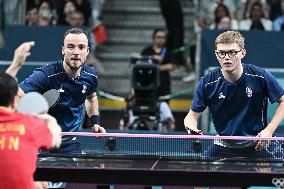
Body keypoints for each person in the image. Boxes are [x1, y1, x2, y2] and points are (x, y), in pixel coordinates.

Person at [184, 31, 284, 159]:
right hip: (223, 144)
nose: (226, 57)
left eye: (232, 52)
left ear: (243, 53)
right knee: (201, 175)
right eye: (222, 53)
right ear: (216, 54)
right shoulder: (207, 83)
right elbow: (191, 116)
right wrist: (191, 127)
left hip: (259, 142)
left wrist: (269, 130)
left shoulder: (260, 76)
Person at [18, 27, 105, 151]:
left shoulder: (91, 76)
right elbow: (16, 95)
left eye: (81, 47)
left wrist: (95, 122)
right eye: (71, 46)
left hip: (70, 143)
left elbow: (91, 97)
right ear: (63, 50)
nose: (76, 52)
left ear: (87, 51)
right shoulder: (46, 75)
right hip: (43, 142)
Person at [0, 73, 62, 189]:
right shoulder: (31, 124)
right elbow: (56, 141)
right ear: (14, 101)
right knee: (41, 184)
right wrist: (50, 120)